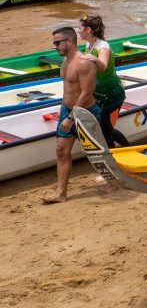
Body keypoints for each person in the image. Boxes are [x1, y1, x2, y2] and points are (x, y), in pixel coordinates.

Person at [43, 27, 100, 204]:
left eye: (56, 43)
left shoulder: (83, 62)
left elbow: (86, 93)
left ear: (69, 41)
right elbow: (67, 89)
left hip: (84, 112)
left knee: (96, 154)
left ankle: (109, 181)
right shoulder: (66, 62)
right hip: (68, 110)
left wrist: (71, 118)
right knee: (61, 150)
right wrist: (64, 111)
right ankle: (61, 193)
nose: (54, 47)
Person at [77, 15, 125, 147]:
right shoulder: (88, 44)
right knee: (105, 127)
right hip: (98, 94)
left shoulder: (102, 47)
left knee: (105, 130)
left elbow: (102, 66)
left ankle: (113, 157)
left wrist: (94, 59)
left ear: (88, 30)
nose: (78, 30)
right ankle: (127, 147)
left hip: (112, 94)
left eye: (79, 28)